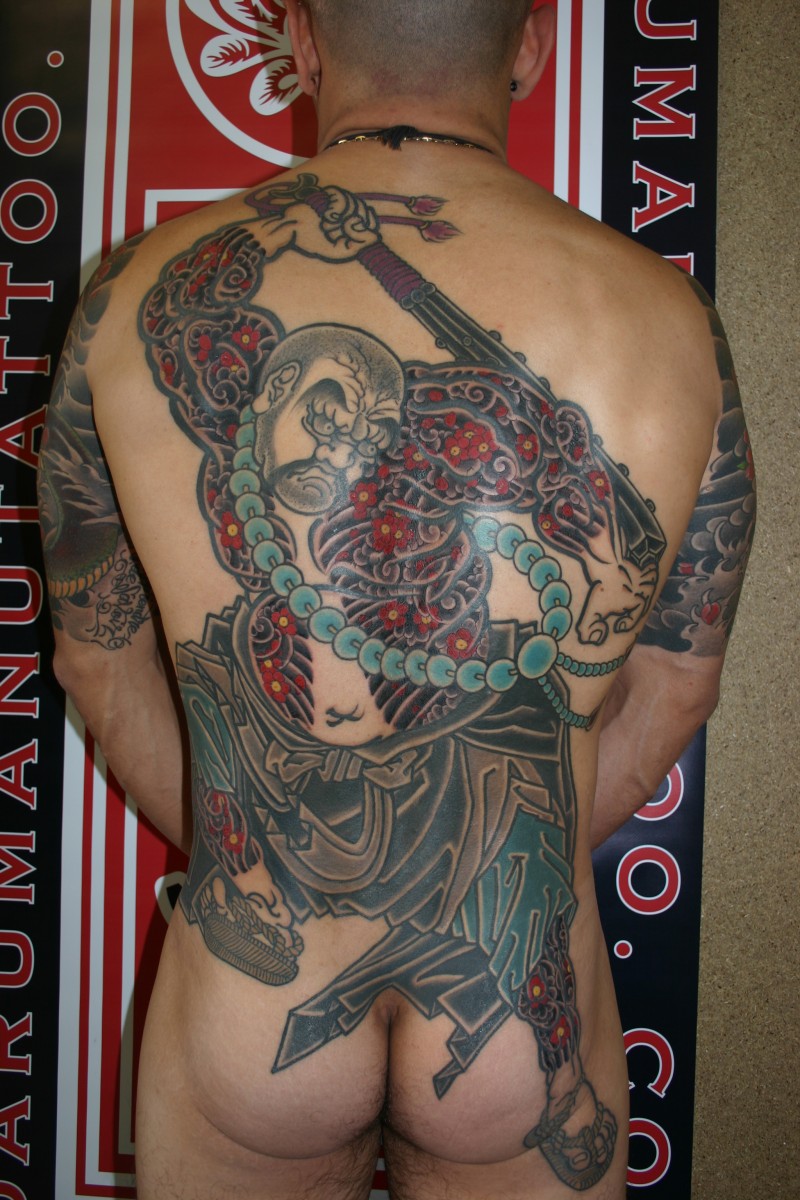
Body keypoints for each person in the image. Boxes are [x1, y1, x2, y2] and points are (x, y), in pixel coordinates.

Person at [37, 2, 755, 1196]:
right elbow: (675, 685)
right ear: (528, 43)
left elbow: (94, 664)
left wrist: (266, 853)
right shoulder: (663, 319)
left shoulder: (132, 294)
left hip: (254, 1001)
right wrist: (476, 854)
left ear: (302, 43)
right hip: (514, 987)